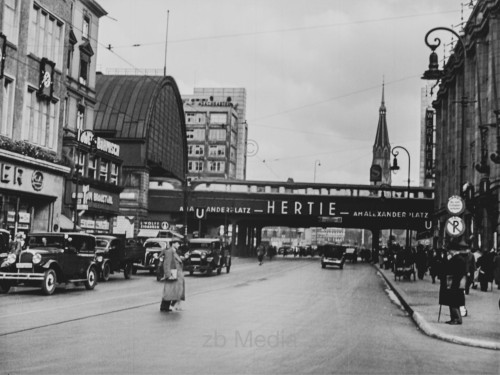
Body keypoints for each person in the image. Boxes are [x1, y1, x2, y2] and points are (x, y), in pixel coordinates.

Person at [441, 248, 466, 325]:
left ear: (454, 250)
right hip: (453, 283)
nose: (449, 252)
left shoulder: (458, 259)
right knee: (452, 302)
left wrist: (455, 283)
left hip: (455, 284)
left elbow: (458, 272)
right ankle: (453, 318)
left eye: (450, 250)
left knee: (454, 302)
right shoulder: (457, 258)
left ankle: (457, 319)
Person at [160, 239, 185, 312]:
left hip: (176, 274)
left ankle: (166, 306)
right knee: (169, 291)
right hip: (172, 274)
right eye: (177, 243)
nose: (179, 245)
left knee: (172, 291)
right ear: (173, 244)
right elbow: (167, 264)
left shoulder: (174, 251)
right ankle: (164, 307)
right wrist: (168, 275)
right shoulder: (170, 251)